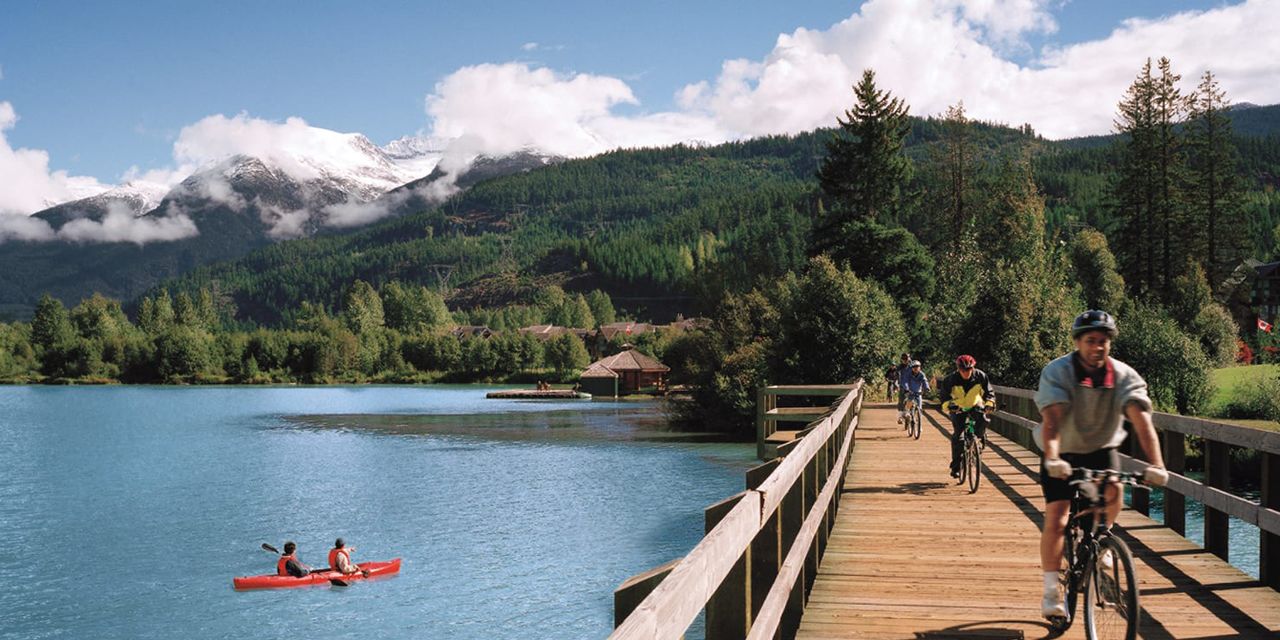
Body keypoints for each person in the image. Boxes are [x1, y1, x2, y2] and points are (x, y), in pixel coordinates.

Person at [1034, 310, 1168, 619]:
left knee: (1115, 490)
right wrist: (1052, 457)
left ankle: (1103, 539)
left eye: (1103, 341)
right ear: (1077, 342)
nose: (1097, 347)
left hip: (1100, 447)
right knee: (1058, 516)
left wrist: (1157, 465)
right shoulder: (1058, 372)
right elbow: (1052, 421)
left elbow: (1142, 421)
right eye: (1090, 340)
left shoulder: (1124, 376)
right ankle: (1051, 592)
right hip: (1061, 449)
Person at [938, 355, 994, 478]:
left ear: (973, 368)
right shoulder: (950, 380)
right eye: (963, 370)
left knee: (983, 419)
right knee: (958, 436)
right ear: (958, 369)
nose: (966, 372)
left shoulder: (980, 376)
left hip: (975, 404)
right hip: (958, 407)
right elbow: (944, 397)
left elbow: (989, 392)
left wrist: (989, 403)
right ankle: (956, 468)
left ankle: (979, 438)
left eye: (969, 369)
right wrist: (949, 405)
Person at [893, 353, 913, 423]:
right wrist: (896, 385)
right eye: (903, 359)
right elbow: (896, 377)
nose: (905, 361)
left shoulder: (913, 366)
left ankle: (909, 412)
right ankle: (900, 416)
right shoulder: (899, 367)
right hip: (902, 385)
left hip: (912, 385)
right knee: (901, 400)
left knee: (912, 399)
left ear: (909, 359)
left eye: (906, 359)